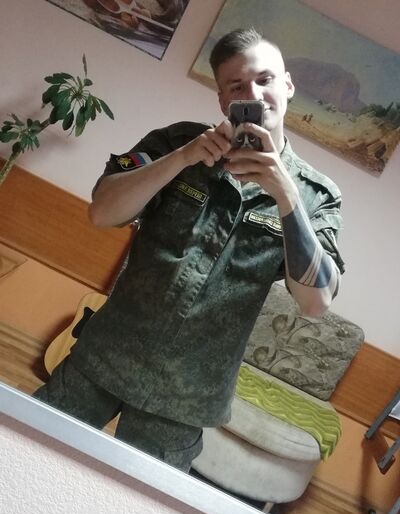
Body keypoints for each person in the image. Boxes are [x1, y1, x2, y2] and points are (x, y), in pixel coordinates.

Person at [33, 28, 345, 473]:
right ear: (222, 99)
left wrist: (286, 195)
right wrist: (181, 158)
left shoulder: (316, 196)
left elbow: (316, 303)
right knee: (31, 461)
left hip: (187, 397)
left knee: (136, 504)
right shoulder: (172, 142)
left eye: (265, 80)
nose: (253, 94)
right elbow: (102, 212)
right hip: (105, 356)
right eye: (236, 86)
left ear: (288, 85)